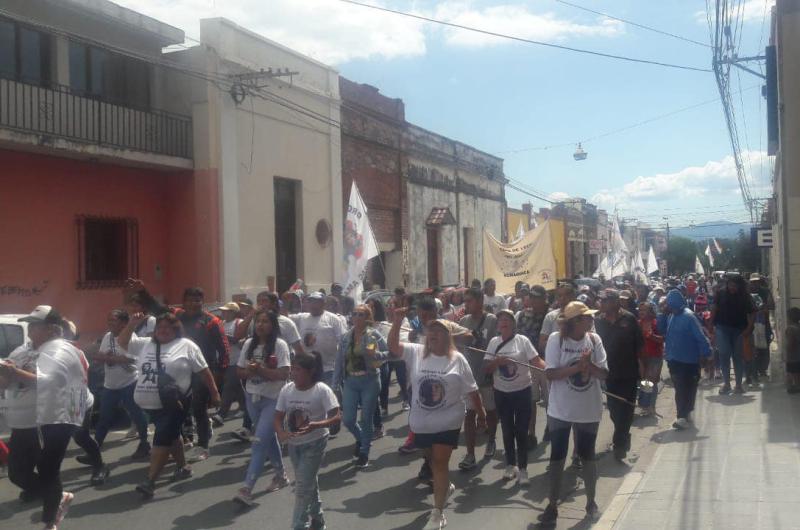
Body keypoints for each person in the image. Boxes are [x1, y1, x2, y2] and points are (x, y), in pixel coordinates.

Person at [389, 309, 486, 530]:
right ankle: (445, 487)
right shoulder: (415, 352)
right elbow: (394, 347)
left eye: (439, 331)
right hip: (420, 423)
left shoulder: (458, 359)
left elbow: (472, 391)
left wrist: (482, 416)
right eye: (430, 330)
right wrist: (396, 322)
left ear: (448, 336)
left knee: (441, 463)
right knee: (431, 459)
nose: (433, 334)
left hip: (448, 420)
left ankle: (437, 512)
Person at [1, 306, 94, 529]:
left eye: (35, 325)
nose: (30, 329)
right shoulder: (21, 351)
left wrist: (14, 372)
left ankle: (51, 515)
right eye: (30, 325)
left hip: (47, 420)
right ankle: (52, 494)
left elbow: (49, 381)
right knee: (17, 473)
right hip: (21, 421)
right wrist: (7, 374)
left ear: (52, 329)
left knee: (47, 468)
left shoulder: (60, 350)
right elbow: (7, 382)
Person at [119, 312, 221, 499]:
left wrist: (214, 393)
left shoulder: (187, 346)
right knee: (172, 435)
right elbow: (123, 342)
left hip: (175, 403)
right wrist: (132, 324)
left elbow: (204, 371)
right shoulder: (146, 344)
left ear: (176, 329)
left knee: (161, 438)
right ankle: (182, 467)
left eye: (168, 327)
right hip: (149, 405)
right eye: (160, 327)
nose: (163, 331)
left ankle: (150, 482)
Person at [538, 302, 608, 525]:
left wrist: (590, 366)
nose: (591, 320)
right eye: (587, 317)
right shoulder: (556, 340)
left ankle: (591, 502)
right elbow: (550, 374)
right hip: (560, 410)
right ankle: (552, 505)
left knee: (588, 456)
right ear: (575, 321)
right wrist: (578, 368)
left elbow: (604, 374)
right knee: (557, 456)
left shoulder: (595, 340)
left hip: (588, 410)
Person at [275, 351, 341, 530]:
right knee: (308, 482)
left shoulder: (321, 390)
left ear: (310, 371)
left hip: (316, 442)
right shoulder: (286, 390)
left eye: (298, 369)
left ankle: (299, 525)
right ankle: (318, 520)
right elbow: (278, 416)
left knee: (302, 488)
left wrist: (317, 424)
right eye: (293, 369)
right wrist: (280, 432)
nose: (293, 373)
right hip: (294, 446)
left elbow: (336, 416)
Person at [233, 309, 292, 505]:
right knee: (267, 438)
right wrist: (249, 371)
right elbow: (240, 372)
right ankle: (281, 476)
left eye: (266, 321)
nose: (260, 325)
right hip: (253, 398)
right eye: (258, 321)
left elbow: (284, 374)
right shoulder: (249, 344)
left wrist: (262, 370)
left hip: (274, 400)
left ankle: (246, 489)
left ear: (273, 325)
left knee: (258, 441)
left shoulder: (280, 345)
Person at [484, 310, 545, 486]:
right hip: (502, 393)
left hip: (522, 392)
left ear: (513, 324)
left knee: (521, 431)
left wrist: (550, 371)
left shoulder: (522, 341)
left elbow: (536, 361)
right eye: (500, 320)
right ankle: (510, 465)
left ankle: (523, 469)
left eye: (507, 319)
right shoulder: (494, 342)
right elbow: (487, 368)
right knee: (507, 430)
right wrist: (497, 362)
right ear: (497, 325)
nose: (503, 322)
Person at [175, 287, 230, 461]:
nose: (193, 303)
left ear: (202, 302)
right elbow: (157, 309)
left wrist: (219, 374)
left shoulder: (212, 321)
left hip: (203, 371)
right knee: (180, 408)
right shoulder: (177, 317)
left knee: (199, 409)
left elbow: (224, 350)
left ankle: (203, 446)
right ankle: (186, 439)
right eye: (190, 300)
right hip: (181, 370)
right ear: (184, 301)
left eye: (197, 300)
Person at [332, 304, 388, 469]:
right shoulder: (345, 337)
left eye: (360, 314)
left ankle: (364, 452)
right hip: (350, 381)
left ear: (367, 318)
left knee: (366, 418)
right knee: (348, 419)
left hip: (369, 380)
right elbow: (339, 361)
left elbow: (390, 353)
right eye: (354, 313)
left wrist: (375, 354)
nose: (356, 317)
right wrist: (334, 384)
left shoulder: (374, 335)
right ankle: (361, 438)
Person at [90, 310, 150, 460]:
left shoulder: (132, 338)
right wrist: (111, 358)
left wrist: (115, 359)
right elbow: (98, 356)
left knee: (137, 414)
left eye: (113, 321)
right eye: (109, 320)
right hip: (110, 385)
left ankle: (144, 442)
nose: (110, 323)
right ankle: (95, 448)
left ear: (124, 323)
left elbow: (134, 359)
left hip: (129, 383)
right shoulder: (107, 337)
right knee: (104, 417)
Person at [595, 289, 643, 462]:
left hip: (629, 372)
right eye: (601, 300)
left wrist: (641, 368)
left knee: (628, 408)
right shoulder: (597, 321)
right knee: (615, 410)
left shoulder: (629, 319)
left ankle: (620, 444)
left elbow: (639, 345)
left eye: (605, 300)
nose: (602, 303)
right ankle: (622, 436)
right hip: (608, 374)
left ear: (615, 302)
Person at [458, 288, 499, 470]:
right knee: (470, 414)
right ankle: (470, 453)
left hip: (487, 375)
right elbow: (458, 347)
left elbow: (497, 344)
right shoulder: (463, 322)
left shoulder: (492, 320)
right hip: (469, 376)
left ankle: (491, 440)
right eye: (465, 301)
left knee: (490, 411)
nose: (466, 305)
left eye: (470, 301)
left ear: (480, 301)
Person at [660, 290, 712, 429]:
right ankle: (681, 415)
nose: (667, 306)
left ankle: (685, 412)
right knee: (680, 388)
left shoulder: (689, 317)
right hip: (674, 360)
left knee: (689, 387)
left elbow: (700, 337)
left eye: (669, 304)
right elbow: (665, 334)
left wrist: (706, 353)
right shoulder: (670, 316)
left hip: (690, 360)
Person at [515, 285, 550, 447]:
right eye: (532, 297)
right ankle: (531, 433)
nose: (534, 300)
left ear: (544, 298)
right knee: (531, 400)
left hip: (547, 362)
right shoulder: (522, 315)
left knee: (550, 399)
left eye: (537, 297)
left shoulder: (552, 315)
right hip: (528, 362)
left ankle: (551, 426)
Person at [711, 274, 756, 394]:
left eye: (735, 285)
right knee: (724, 354)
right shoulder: (720, 294)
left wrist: (749, 328)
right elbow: (714, 309)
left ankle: (738, 385)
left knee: (738, 357)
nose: (732, 287)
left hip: (739, 330)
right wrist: (710, 326)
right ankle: (726, 384)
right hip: (722, 328)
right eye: (730, 285)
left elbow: (752, 313)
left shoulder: (745, 296)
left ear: (740, 286)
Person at [291, 291, 347, 386]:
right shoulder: (301, 317)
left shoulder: (333, 319)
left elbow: (344, 341)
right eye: (311, 302)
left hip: (329, 369)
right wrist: (286, 302)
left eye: (317, 302)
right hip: (306, 369)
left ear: (324, 304)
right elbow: (283, 319)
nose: (313, 305)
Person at [212, 302, 248, 430]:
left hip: (237, 360)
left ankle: (221, 415)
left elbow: (238, 340)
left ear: (233, 312)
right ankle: (244, 407)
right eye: (223, 311)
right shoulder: (221, 323)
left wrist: (221, 336)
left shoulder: (239, 322)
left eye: (226, 311)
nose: (223, 313)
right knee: (237, 386)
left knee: (228, 385)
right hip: (224, 360)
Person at [637, 302, 664, 416]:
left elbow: (662, 339)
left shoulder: (656, 323)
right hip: (642, 357)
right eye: (640, 310)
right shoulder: (638, 324)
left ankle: (650, 406)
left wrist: (651, 336)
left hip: (655, 356)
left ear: (650, 311)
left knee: (650, 382)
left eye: (644, 310)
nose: (641, 312)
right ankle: (646, 406)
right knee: (645, 382)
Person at [784, 308, 800, 393]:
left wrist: (788, 348)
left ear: (789, 318)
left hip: (792, 357)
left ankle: (792, 387)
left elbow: (791, 342)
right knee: (797, 372)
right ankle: (797, 385)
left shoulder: (790, 328)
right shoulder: (798, 327)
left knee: (791, 372)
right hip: (798, 356)